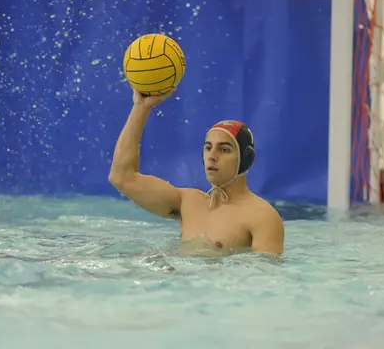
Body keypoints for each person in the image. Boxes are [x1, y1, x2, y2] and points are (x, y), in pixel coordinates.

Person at [108, 88, 285, 256]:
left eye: (224, 150)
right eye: (208, 148)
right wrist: (141, 107)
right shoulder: (187, 203)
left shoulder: (262, 217)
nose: (212, 156)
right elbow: (122, 177)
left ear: (245, 158)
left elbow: (263, 277)